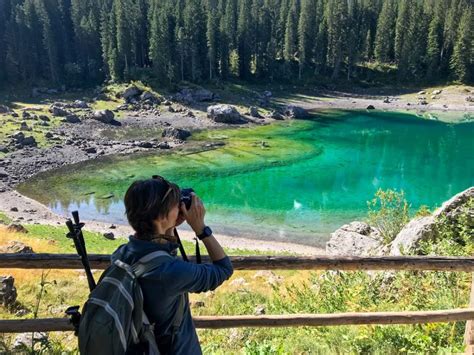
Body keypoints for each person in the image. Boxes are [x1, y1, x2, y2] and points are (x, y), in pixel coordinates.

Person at [112, 176, 233, 354]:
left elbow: (157, 254)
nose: (180, 208)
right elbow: (223, 269)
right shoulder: (171, 273)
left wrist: (168, 227)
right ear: (160, 217)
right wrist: (201, 229)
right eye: (175, 206)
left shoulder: (122, 253)